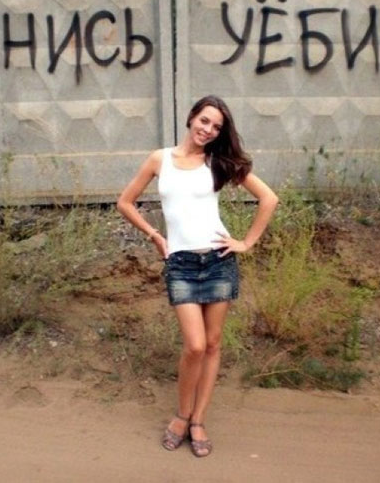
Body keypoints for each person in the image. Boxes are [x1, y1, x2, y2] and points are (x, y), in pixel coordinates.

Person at [117, 95, 278, 458]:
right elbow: (125, 202)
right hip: (181, 264)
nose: (208, 130)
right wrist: (155, 235)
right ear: (191, 118)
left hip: (218, 260)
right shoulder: (160, 159)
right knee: (194, 345)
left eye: (216, 127)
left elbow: (269, 199)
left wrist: (246, 243)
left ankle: (198, 420)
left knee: (213, 344)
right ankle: (181, 414)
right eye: (204, 121)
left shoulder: (217, 161)